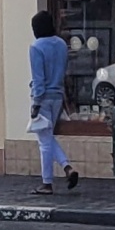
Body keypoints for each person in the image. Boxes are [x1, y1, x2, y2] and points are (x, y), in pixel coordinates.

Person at [28, 10, 79, 194]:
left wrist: (35, 103)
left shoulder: (36, 47)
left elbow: (39, 79)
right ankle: (67, 168)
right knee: (47, 137)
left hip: (43, 97)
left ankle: (47, 183)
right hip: (58, 96)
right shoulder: (61, 44)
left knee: (44, 141)